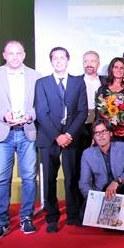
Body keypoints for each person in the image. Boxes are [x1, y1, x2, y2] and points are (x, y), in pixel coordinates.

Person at [0, 40, 41, 240]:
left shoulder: (36, 76)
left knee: (29, 177)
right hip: (1, 133)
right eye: (11, 53)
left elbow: (41, 105)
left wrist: (30, 115)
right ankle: (2, 222)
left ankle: (26, 217)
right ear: (4, 55)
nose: (15, 57)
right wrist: (3, 115)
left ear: (24, 55)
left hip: (27, 132)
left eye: (18, 53)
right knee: (1, 179)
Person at [35, 46, 88, 232]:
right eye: (55, 58)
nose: (58, 61)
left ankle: (73, 215)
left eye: (62, 57)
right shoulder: (42, 83)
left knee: (72, 177)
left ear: (68, 60)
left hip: (72, 137)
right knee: (49, 179)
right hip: (49, 137)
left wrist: (69, 134)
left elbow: (82, 111)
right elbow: (41, 113)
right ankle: (52, 217)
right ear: (51, 61)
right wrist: (57, 136)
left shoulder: (78, 82)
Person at [79, 120, 124, 236]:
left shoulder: (123, 147)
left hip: (122, 187)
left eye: (103, 131)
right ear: (93, 137)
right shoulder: (87, 154)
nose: (101, 135)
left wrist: (117, 181)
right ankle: (115, 219)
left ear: (110, 133)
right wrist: (95, 200)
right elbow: (83, 184)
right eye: (97, 133)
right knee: (83, 215)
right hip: (103, 193)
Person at [95, 57, 124, 152]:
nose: (119, 70)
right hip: (106, 134)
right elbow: (98, 114)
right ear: (111, 69)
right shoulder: (102, 89)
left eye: (121, 68)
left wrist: (123, 124)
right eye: (116, 67)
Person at [79, 50, 106, 156]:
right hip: (82, 126)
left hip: (103, 125)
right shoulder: (75, 81)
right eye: (86, 61)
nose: (89, 64)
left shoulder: (106, 81)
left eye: (93, 61)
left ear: (98, 63)